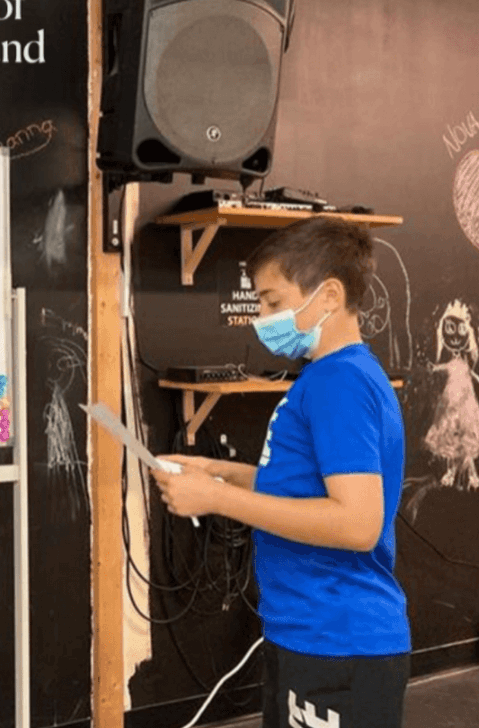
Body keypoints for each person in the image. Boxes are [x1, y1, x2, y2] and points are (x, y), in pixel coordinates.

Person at [150, 216, 410, 728]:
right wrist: (219, 473)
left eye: (272, 303)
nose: (261, 318)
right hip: (307, 633)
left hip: (337, 640)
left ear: (329, 295)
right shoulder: (329, 377)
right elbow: (300, 488)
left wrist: (217, 499)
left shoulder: (339, 383)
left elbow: (357, 524)